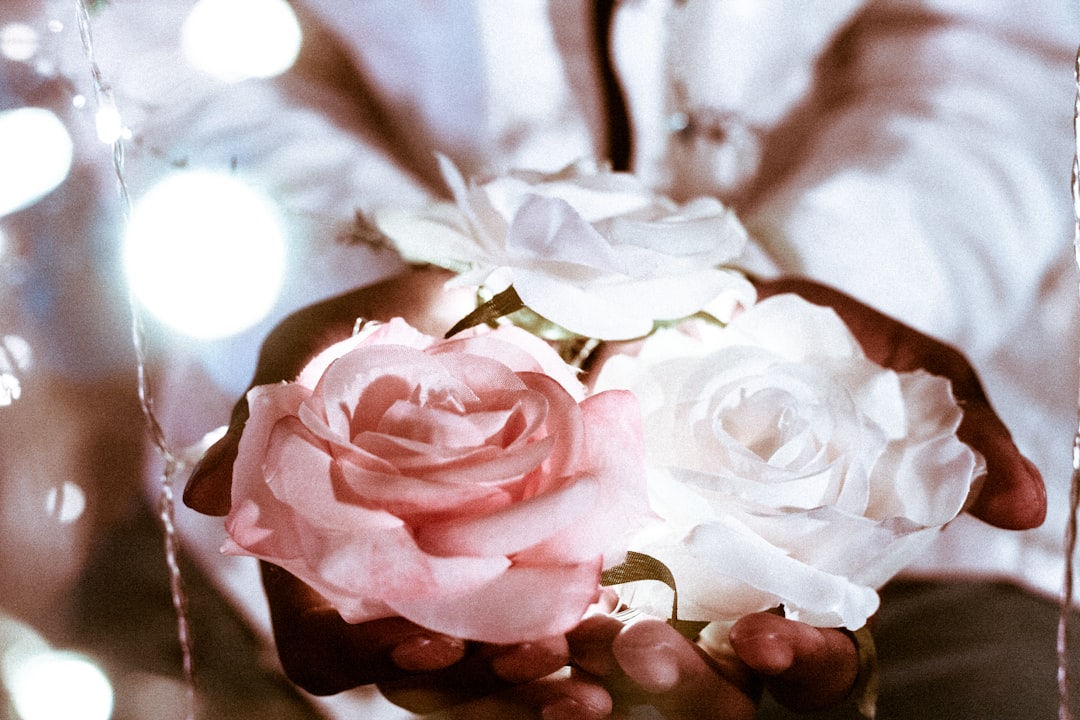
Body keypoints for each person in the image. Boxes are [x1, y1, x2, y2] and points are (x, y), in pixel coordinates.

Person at [83, 0, 1079, 717]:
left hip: (910, 534)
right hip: (379, 562)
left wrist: (773, 304)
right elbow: (157, 56)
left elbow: (1008, 47)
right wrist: (419, 288)